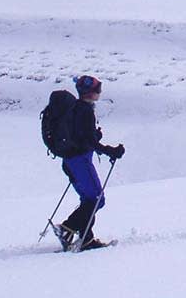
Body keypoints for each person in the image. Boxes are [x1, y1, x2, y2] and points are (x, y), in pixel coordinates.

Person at [56, 74, 125, 251]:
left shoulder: (76, 108)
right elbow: (88, 141)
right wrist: (111, 150)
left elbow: (81, 136)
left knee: (89, 199)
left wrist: (95, 135)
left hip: (71, 161)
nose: (99, 93)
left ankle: (86, 238)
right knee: (96, 200)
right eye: (98, 90)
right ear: (89, 93)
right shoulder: (85, 111)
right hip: (80, 161)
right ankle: (67, 229)